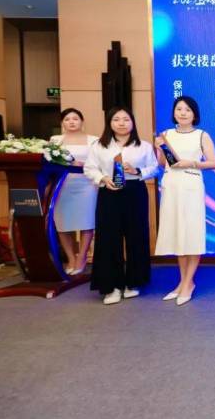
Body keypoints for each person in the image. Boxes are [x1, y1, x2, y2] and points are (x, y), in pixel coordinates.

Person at [84, 107, 158, 305]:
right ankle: (112, 286)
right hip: (109, 192)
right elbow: (89, 168)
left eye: (126, 119)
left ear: (132, 122)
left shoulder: (143, 146)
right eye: (116, 119)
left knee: (136, 236)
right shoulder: (99, 146)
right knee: (108, 238)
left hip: (134, 191)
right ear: (109, 123)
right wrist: (102, 178)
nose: (121, 123)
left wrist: (137, 171)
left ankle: (134, 282)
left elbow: (154, 168)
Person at [154, 96, 215, 306]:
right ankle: (183, 282)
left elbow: (213, 163)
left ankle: (188, 282)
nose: (183, 113)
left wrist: (190, 163)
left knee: (191, 233)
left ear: (194, 114)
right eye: (179, 109)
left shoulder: (201, 135)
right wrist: (159, 148)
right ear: (174, 112)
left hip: (191, 186)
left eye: (187, 110)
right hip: (171, 187)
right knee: (177, 234)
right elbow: (162, 163)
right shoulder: (166, 135)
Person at [50, 108, 98, 275]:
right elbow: (49, 162)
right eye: (67, 119)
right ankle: (71, 257)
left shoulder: (93, 140)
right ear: (62, 123)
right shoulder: (55, 140)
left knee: (87, 221)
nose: (71, 122)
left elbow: (99, 163)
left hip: (87, 184)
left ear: (82, 122)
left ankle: (82, 257)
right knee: (63, 223)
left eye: (75, 119)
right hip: (62, 185)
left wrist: (82, 165)